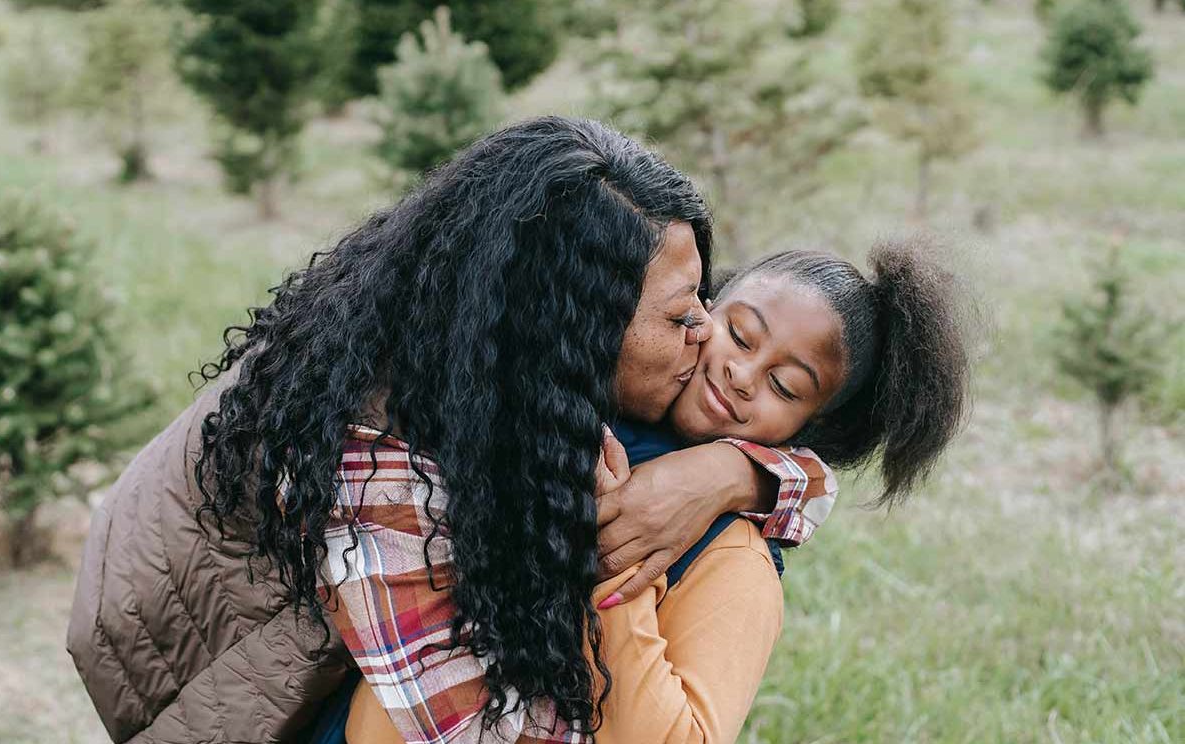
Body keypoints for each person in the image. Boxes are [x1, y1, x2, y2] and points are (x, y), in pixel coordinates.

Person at [65, 117, 835, 744]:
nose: (709, 337)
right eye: (681, 314)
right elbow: (486, 731)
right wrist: (618, 580)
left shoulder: (487, 360)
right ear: (571, 331)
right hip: (209, 692)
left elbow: (809, 471)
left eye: (706, 295)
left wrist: (748, 474)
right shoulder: (374, 462)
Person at [341, 239, 972, 743]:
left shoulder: (735, 563)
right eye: (741, 335)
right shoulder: (598, 388)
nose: (743, 374)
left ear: (813, 426)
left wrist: (617, 574)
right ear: (703, 306)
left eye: (784, 387)